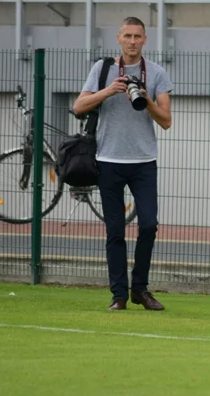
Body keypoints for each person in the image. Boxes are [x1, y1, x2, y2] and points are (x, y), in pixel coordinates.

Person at [73, 18, 173, 312]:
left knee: (149, 225)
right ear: (118, 38)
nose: (132, 41)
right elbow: (79, 106)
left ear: (145, 39)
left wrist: (146, 98)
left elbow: (166, 121)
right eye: (127, 36)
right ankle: (118, 295)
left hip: (143, 161)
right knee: (115, 230)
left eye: (137, 36)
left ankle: (139, 289)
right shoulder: (101, 69)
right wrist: (110, 90)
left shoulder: (156, 73)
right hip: (108, 160)